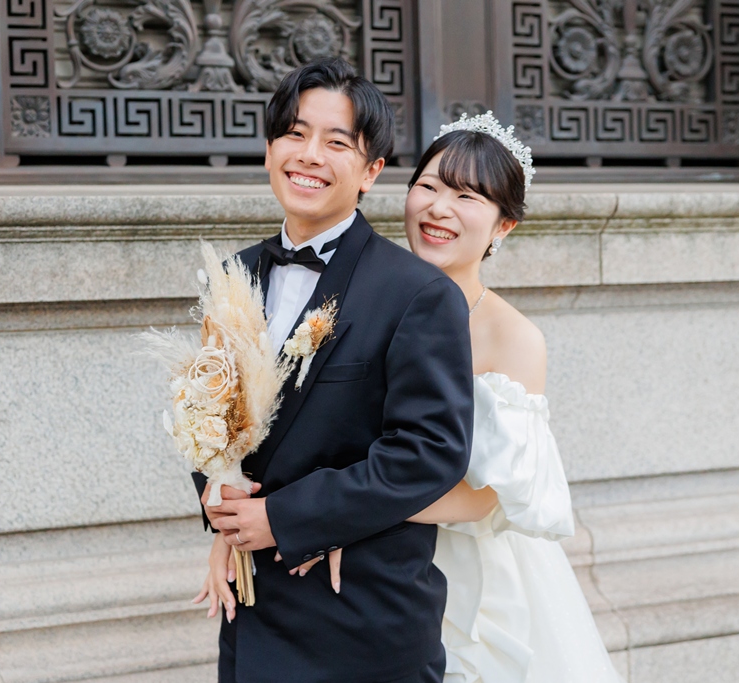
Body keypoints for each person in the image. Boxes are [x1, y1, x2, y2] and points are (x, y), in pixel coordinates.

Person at [277, 113, 623, 682]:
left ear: (503, 226)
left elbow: (486, 497)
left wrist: (340, 517)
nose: (439, 209)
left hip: (460, 570)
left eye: (466, 197)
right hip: (353, 556)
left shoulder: (514, 339)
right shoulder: (362, 294)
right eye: (430, 187)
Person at [191, 57, 475, 683]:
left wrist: (288, 520)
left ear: (372, 170)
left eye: (336, 141)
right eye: (294, 133)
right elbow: (208, 413)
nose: (309, 154)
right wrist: (218, 494)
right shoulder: (232, 278)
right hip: (251, 615)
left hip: (360, 621)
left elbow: (429, 453)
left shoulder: (417, 294)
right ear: (269, 151)